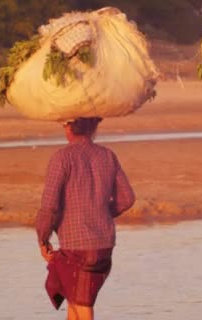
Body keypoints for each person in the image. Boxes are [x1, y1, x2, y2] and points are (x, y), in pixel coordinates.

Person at [35, 117, 135, 320]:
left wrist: (42, 238)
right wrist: (101, 212)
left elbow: (49, 206)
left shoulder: (61, 158)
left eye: (65, 124)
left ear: (70, 128)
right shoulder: (107, 155)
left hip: (76, 247)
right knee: (75, 302)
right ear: (93, 128)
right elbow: (127, 199)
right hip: (104, 244)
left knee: (82, 305)